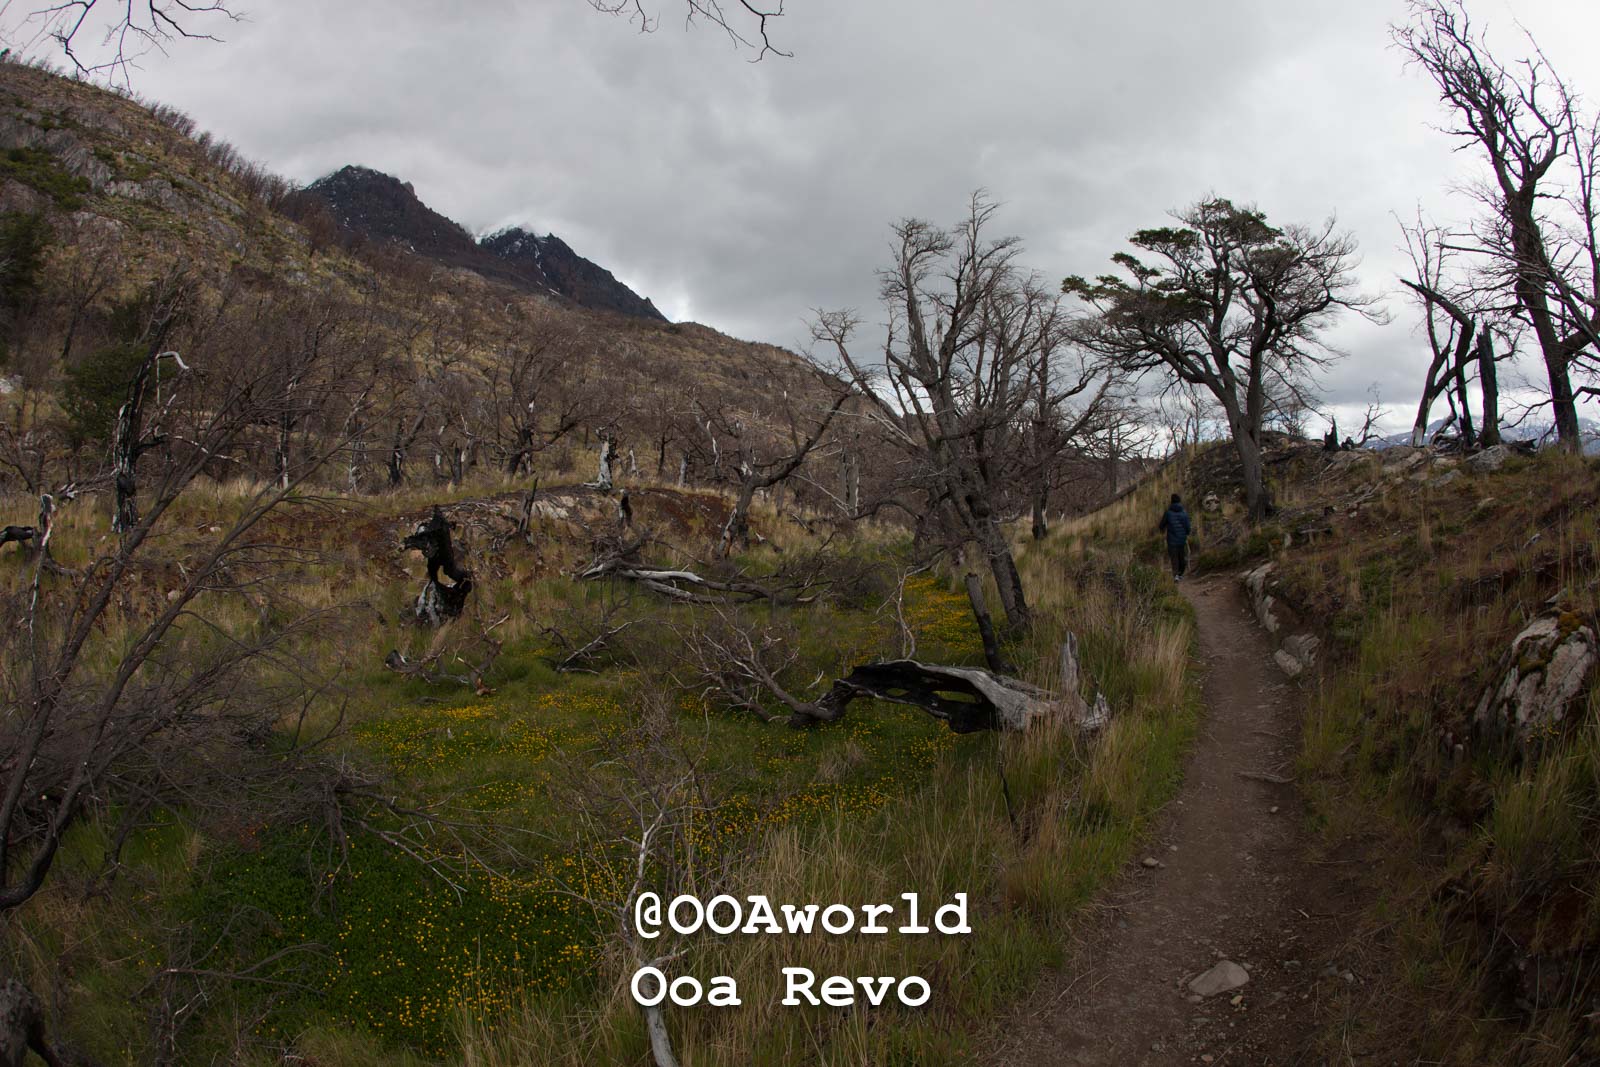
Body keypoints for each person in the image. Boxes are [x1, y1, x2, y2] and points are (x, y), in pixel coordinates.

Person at [1158, 493, 1192, 581]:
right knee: (1182, 557)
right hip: (1182, 539)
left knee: (1174, 558)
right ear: (1179, 501)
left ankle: (1176, 575)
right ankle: (1180, 574)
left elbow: (1161, 525)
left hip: (1171, 540)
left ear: (1171, 501)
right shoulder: (1184, 513)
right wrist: (1187, 533)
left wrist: (1162, 530)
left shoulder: (1168, 513)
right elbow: (1187, 526)